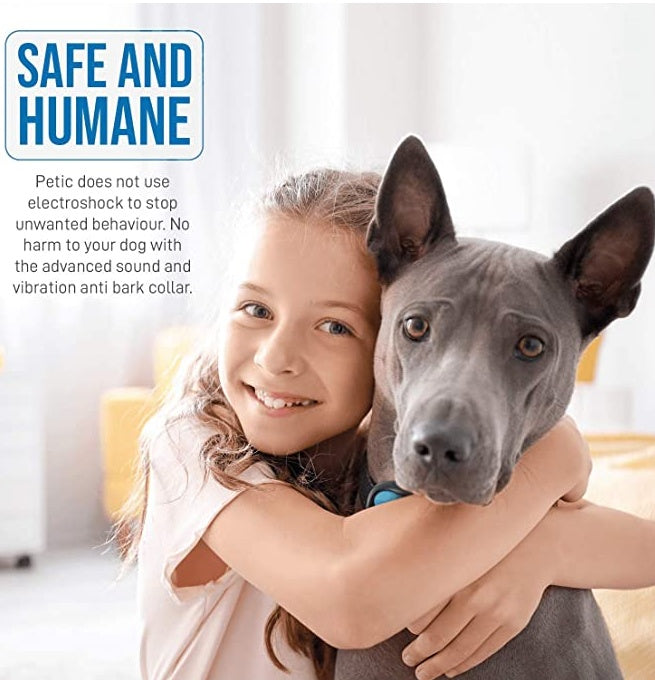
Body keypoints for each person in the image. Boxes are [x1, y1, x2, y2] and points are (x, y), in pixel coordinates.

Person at [116, 168, 655, 680]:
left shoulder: (364, 463)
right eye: (255, 310)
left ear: (381, 345)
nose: (278, 357)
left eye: (334, 326)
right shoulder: (193, 447)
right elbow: (348, 595)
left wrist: (546, 547)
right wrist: (556, 456)